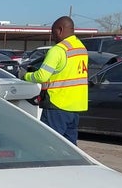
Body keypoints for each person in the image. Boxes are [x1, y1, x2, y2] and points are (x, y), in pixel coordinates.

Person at [20, 16, 88, 144]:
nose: (53, 36)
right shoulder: (81, 48)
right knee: (69, 147)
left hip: (57, 105)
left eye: (53, 32)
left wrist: (26, 76)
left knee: (49, 144)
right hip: (75, 107)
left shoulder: (58, 50)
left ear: (60, 30)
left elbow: (42, 76)